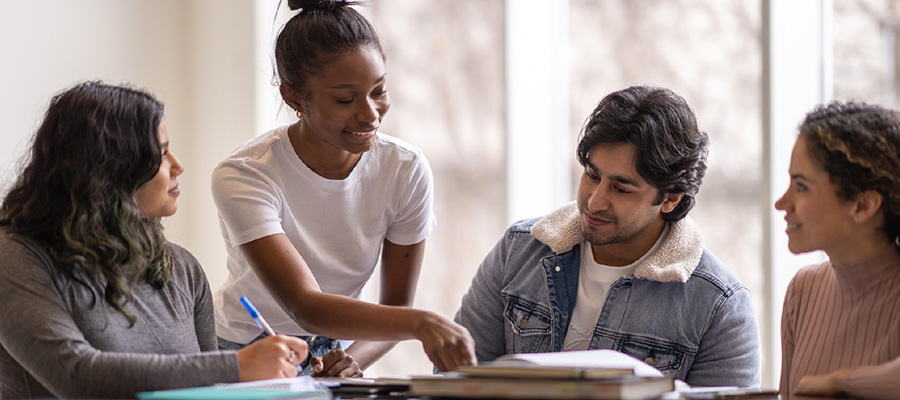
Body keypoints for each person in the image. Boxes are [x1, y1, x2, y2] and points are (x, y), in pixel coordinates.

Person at [211, 0, 475, 376]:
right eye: (345, 99)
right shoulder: (245, 175)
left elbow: (395, 308)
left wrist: (351, 362)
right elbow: (305, 306)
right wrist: (423, 323)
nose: (370, 114)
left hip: (334, 346)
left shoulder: (405, 170)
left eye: (379, 91)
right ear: (294, 97)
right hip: (246, 348)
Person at [0, 81, 310, 399]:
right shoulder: (16, 256)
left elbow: (208, 391)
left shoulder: (182, 268)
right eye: (162, 154)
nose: (178, 166)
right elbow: (76, 376)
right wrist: (236, 365)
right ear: (110, 168)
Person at [455, 85, 761, 387]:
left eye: (621, 188)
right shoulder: (518, 251)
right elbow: (455, 379)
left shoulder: (719, 307)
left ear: (671, 198)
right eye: (592, 175)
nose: (595, 201)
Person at [775, 101, 900, 399]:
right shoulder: (802, 291)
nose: (782, 203)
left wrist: (842, 382)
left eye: (801, 186)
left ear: (863, 205)